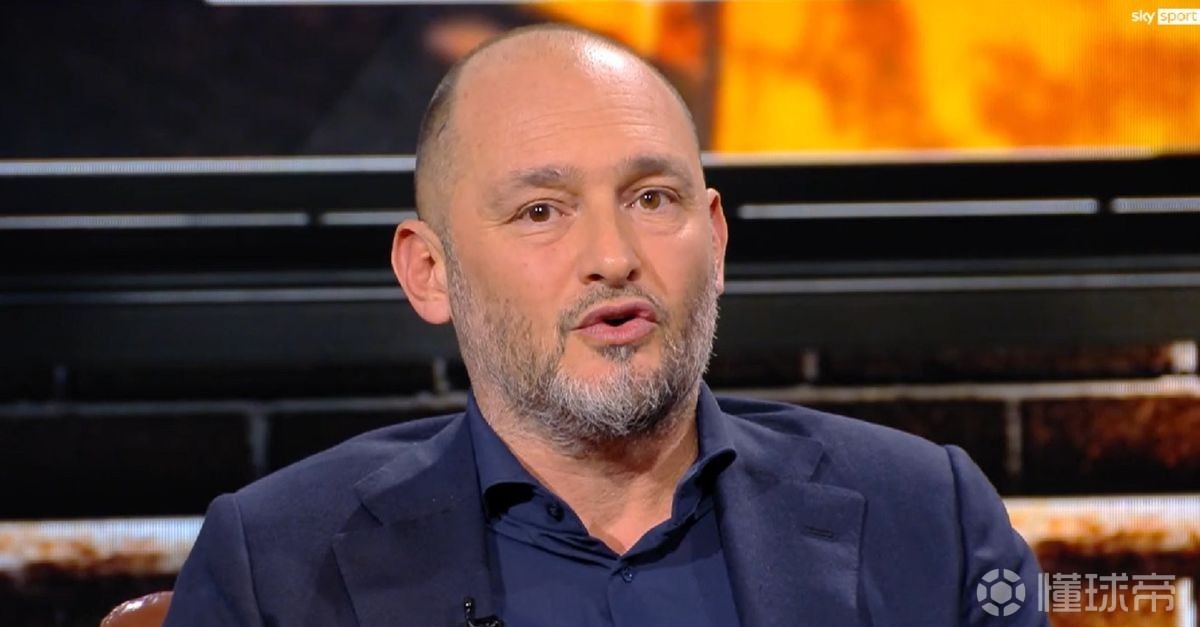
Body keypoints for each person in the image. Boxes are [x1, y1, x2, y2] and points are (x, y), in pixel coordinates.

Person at [164, 25, 1046, 627]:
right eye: (541, 211)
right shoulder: (274, 562)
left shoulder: (926, 515)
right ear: (428, 272)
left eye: (651, 198)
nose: (613, 256)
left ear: (715, 238)